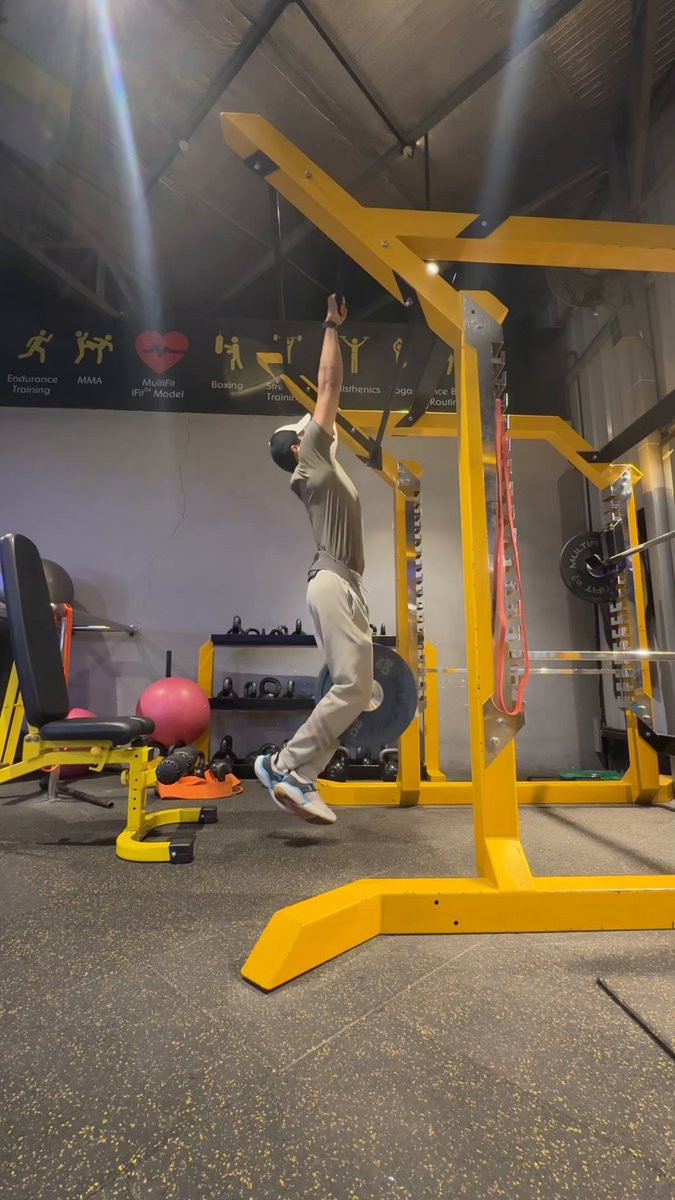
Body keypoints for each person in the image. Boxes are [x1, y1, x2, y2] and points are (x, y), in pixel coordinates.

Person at [255, 295, 374, 825]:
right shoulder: (310, 460)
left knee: (361, 690)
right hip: (331, 581)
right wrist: (330, 325)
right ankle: (285, 767)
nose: (323, 426)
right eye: (311, 428)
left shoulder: (323, 469)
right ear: (297, 445)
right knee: (351, 687)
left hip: (344, 585)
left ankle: (297, 771)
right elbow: (329, 385)